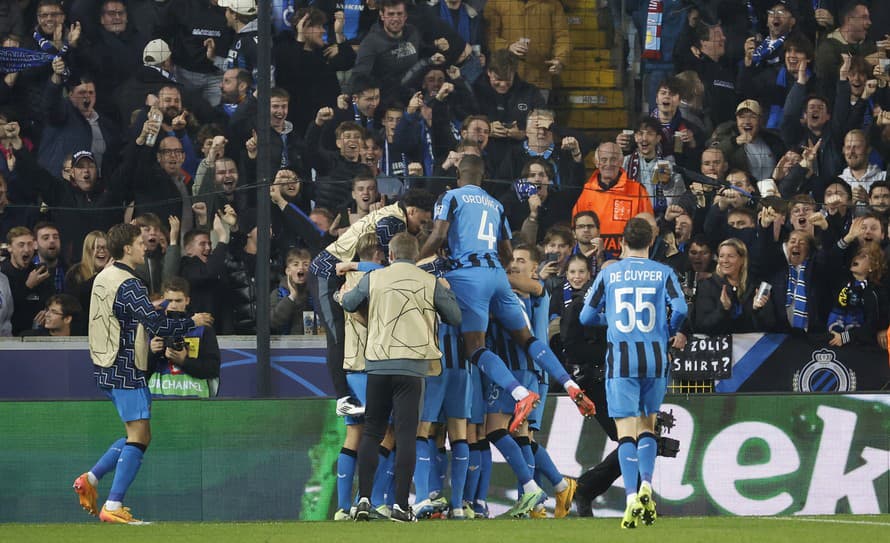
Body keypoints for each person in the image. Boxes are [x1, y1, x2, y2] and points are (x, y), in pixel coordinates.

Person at [418, 154, 595, 517]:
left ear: (458, 173)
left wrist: (414, 263)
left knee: (475, 349)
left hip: (471, 279)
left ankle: (510, 489)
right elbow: (504, 253)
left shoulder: (451, 197)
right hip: (500, 289)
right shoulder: (497, 205)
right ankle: (546, 486)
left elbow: (437, 234)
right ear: (484, 176)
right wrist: (502, 266)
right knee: (527, 344)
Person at [73, 223, 212, 524]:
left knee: (136, 434)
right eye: (139, 242)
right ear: (126, 248)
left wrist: (157, 305)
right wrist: (192, 321)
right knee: (140, 435)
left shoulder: (104, 277)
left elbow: (123, 312)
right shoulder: (129, 282)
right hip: (127, 367)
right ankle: (112, 504)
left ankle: (92, 479)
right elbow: (156, 325)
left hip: (106, 365)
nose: (144, 246)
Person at [340, 232, 462, 522]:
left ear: (391, 255)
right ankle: (400, 506)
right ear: (416, 256)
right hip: (413, 368)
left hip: (379, 364)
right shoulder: (428, 281)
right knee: (407, 435)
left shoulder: (376, 278)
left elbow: (348, 303)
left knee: (372, 432)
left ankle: (363, 501)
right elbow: (455, 317)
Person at [579, 217, 687, 528]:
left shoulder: (609, 272)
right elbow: (680, 309)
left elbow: (586, 316)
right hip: (655, 358)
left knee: (626, 430)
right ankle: (647, 487)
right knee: (648, 426)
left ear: (623, 242)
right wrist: (667, 329)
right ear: (650, 243)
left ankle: (630, 497)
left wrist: (611, 320)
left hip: (622, 359)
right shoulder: (663, 272)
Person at [310, 189, 437, 418]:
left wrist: (356, 267)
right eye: (422, 220)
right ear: (412, 211)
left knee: (350, 335)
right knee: (337, 335)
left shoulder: (393, 217)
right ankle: (342, 399)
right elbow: (393, 269)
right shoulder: (392, 222)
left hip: (342, 275)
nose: (421, 227)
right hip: (325, 273)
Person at [148, 276, 222, 397]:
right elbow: (138, 372)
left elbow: (213, 369)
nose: (173, 305)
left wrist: (184, 361)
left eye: (178, 301)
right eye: (169, 300)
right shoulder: (152, 327)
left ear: (187, 300)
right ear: (162, 300)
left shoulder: (202, 328)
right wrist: (151, 353)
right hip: (158, 402)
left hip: (194, 401)